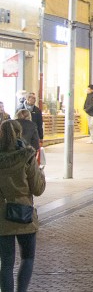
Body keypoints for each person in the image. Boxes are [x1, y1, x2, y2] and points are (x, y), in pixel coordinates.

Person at [0, 120, 45, 292]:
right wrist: (41, 174)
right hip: (24, 214)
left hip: (2, 216)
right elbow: (37, 189)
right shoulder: (27, 156)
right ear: (19, 133)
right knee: (27, 258)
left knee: (6, 262)